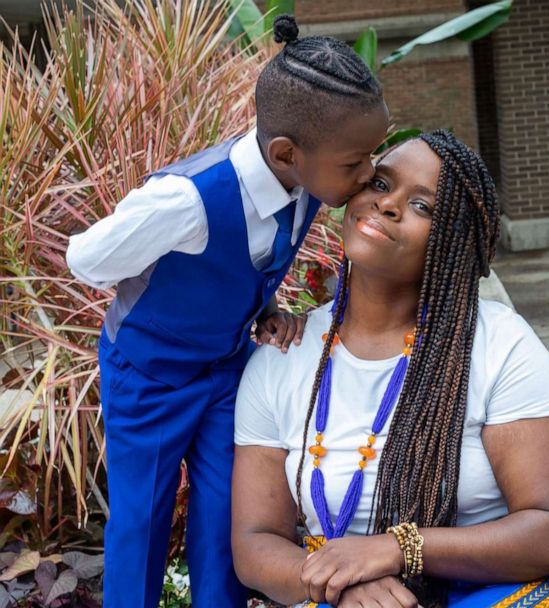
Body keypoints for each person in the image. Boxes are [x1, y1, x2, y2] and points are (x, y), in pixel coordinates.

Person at [65, 14, 389, 608]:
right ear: (286, 152)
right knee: (142, 524)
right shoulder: (184, 201)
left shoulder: (309, 177)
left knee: (225, 517)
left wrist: (264, 306)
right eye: (355, 163)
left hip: (224, 372)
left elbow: (249, 256)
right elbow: (86, 258)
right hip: (149, 374)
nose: (368, 173)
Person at [232, 130, 549, 607]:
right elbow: (255, 540)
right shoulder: (282, 357)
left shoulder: (498, 345)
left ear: (454, 240)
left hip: (495, 591)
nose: (388, 206)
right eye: (381, 184)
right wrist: (343, 585)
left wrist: (397, 550)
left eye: (423, 206)